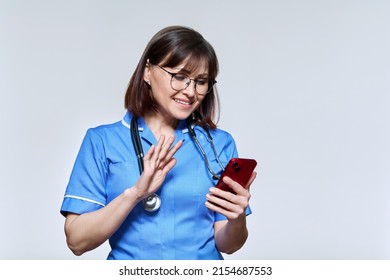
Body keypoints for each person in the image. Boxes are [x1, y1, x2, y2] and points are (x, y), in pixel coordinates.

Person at [60, 25, 257, 260]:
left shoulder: (219, 143)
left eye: (201, 81)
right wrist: (135, 193)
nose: (190, 91)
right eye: (180, 76)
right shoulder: (102, 141)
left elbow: (229, 245)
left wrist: (237, 218)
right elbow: (77, 241)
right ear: (147, 72)